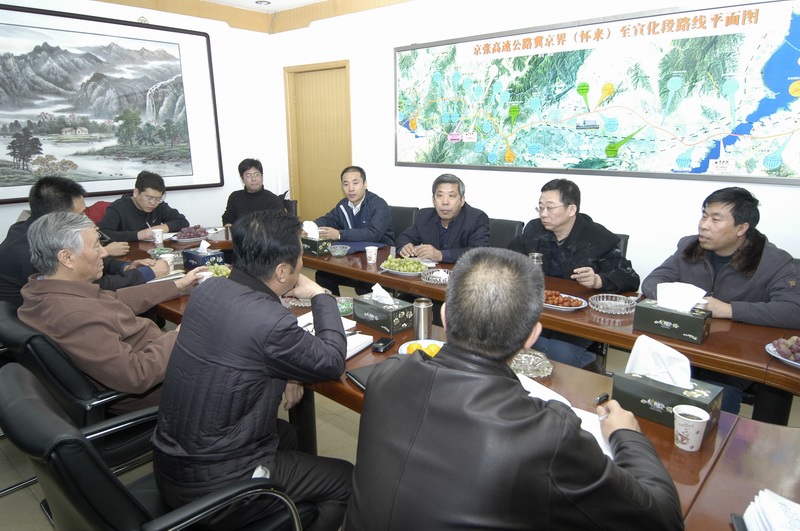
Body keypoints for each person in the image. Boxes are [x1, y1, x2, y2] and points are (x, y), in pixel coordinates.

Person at [343, 247, 682, 530]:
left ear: (444, 317)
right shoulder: (547, 431)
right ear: (532, 336)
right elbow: (662, 518)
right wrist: (627, 435)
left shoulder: (388, 374)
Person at [152, 210, 353, 530]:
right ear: (283, 270)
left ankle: (288, 512)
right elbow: (331, 361)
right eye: (300, 258)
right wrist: (320, 295)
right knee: (346, 479)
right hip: (214, 486)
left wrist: (286, 371)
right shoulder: (269, 321)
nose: (303, 263)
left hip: (170, 463)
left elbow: (241, 351)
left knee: (287, 434)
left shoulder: (207, 290)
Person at [17, 212, 204, 412]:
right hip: (167, 388)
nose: (104, 253)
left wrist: (177, 285)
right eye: (96, 245)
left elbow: (114, 299)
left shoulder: (46, 290)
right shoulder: (73, 317)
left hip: (157, 355)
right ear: (66, 258)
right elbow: (136, 375)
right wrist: (179, 336)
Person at [642, 186, 800, 413]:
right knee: (644, 390)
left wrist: (728, 310)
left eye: (716, 219)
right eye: (704, 216)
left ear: (741, 228)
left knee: (712, 402)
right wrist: (688, 300)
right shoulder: (690, 247)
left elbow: (794, 310)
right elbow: (652, 282)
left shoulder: (773, 261)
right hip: (682, 345)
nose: (704, 225)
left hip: (734, 358)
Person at [508, 178, 640, 368]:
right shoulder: (535, 229)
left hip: (580, 316)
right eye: (540, 207)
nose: (543, 214)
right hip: (541, 310)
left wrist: (598, 280)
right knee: (514, 337)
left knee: (560, 351)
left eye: (550, 208)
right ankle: (585, 363)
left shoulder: (598, 237)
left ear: (571, 209)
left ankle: (582, 370)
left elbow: (630, 278)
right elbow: (507, 257)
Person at [0, 176, 169, 308]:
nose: (88, 220)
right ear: (56, 218)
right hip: (40, 325)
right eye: (80, 215)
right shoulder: (34, 252)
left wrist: (124, 267)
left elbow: (86, 256)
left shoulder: (36, 229)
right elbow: (92, 289)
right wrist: (145, 273)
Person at [314, 165, 394, 295]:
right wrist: (309, 227)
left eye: (355, 183)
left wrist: (340, 235)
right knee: (323, 276)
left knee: (365, 285)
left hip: (378, 261)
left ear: (365, 184)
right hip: (353, 259)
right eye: (346, 184)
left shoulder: (378, 205)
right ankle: (333, 307)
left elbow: (374, 234)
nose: (350, 189)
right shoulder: (343, 205)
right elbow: (328, 220)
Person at [396, 173, 489, 263]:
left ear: (462, 200)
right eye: (440, 195)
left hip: (461, 273)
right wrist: (406, 246)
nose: (445, 202)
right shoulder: (424, 216)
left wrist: (441, 255)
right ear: (433, 200)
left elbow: (479, 253)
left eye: (451, 196)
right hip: (429, 272)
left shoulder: (477, 219)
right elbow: (404, 237)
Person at [99, 170, 189, 242]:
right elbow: (103, 234)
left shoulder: (159, 205)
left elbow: (182, 222)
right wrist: (139, 235)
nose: (153, 203)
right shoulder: (118, 207)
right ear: (136, 192)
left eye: (158, 199)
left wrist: (157, 229)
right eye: (149, 198)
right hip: (127, 255)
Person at [222, 158, 285, 227]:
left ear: (262, 176)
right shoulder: (235, 197)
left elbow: (278, 226)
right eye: (248, 176)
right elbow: (227, 220)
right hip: (238, 233)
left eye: (256, 175)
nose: (254, 179)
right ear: (242, 178)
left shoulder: (273, 200)